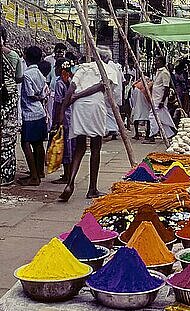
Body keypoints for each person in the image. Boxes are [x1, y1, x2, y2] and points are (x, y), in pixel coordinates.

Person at [58, 49, 118, 201]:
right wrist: (76, 97)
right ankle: (92, 188)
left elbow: (71, 89)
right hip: (94, 105)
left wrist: (63, 108)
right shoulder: (109, 69)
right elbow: (101, 86)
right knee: (95, 147)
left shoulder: (83, 68)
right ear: (107, 59)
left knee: (80, 147)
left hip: (79, 106)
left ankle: (70, 183)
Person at [19, 46, 48, 186]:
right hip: (40, 111)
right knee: (38, 143)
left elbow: (30, 94)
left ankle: (34, 176)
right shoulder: (40, 73)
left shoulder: (26, 75)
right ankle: (40, 171)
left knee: (25, 143)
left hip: (29, 112)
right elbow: (43, 92)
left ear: (26, 56)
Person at [0, 25, 23, 185]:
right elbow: (19, 77)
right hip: (9, 97)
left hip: (6, 97)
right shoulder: (13, 56)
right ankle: (5, 175)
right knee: (7, 137)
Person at [51, 58, 75, 184]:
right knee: (70, 145)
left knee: (65, 146)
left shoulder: (60, 83)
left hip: (64, 117)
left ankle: (67, 175)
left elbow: (59, 103)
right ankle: (68, 173)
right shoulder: (70, 81)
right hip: (70, 117)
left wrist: (57, 119)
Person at [148, 56, 177, 140]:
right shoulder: (158, 72)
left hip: (159, 99)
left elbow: (167, 88)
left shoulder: (164, 73)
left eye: (156, 61)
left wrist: (162, 101)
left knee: (153, 116)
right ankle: (170, 133)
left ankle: (152, 135)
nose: (155, 63)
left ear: (161, 62)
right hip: (156, 98)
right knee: (162, 117)